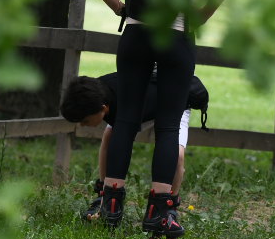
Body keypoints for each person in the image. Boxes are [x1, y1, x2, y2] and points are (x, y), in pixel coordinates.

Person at [81, 0, 231, 238]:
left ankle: (110, 203)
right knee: (167, 124)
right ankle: (160, 213)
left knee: (125, 120)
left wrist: (120, 7)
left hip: (134, 34)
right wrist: (200, 16)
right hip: (176, 34)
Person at [60, 71, 208, 220]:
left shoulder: (120, 101)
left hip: (174, 103)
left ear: (103, 108)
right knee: (110, 137)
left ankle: (169, 207)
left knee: (177, 156)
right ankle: (104, 194)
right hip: (134, 105)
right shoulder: (97, 92)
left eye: (84, 121)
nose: (82, 125)